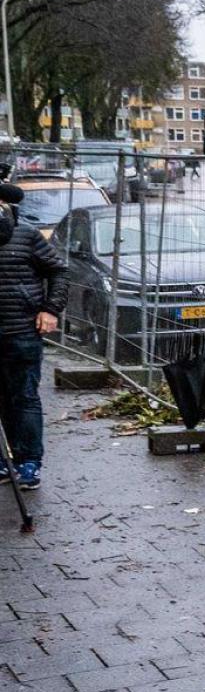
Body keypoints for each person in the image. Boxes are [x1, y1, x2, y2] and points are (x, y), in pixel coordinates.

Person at [0, 181, 66, 490]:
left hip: (21, 331)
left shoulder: (26, 235)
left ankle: (28, 462)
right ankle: (3, 460)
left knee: (23, 396)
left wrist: (50, 309)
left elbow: (58, 271)